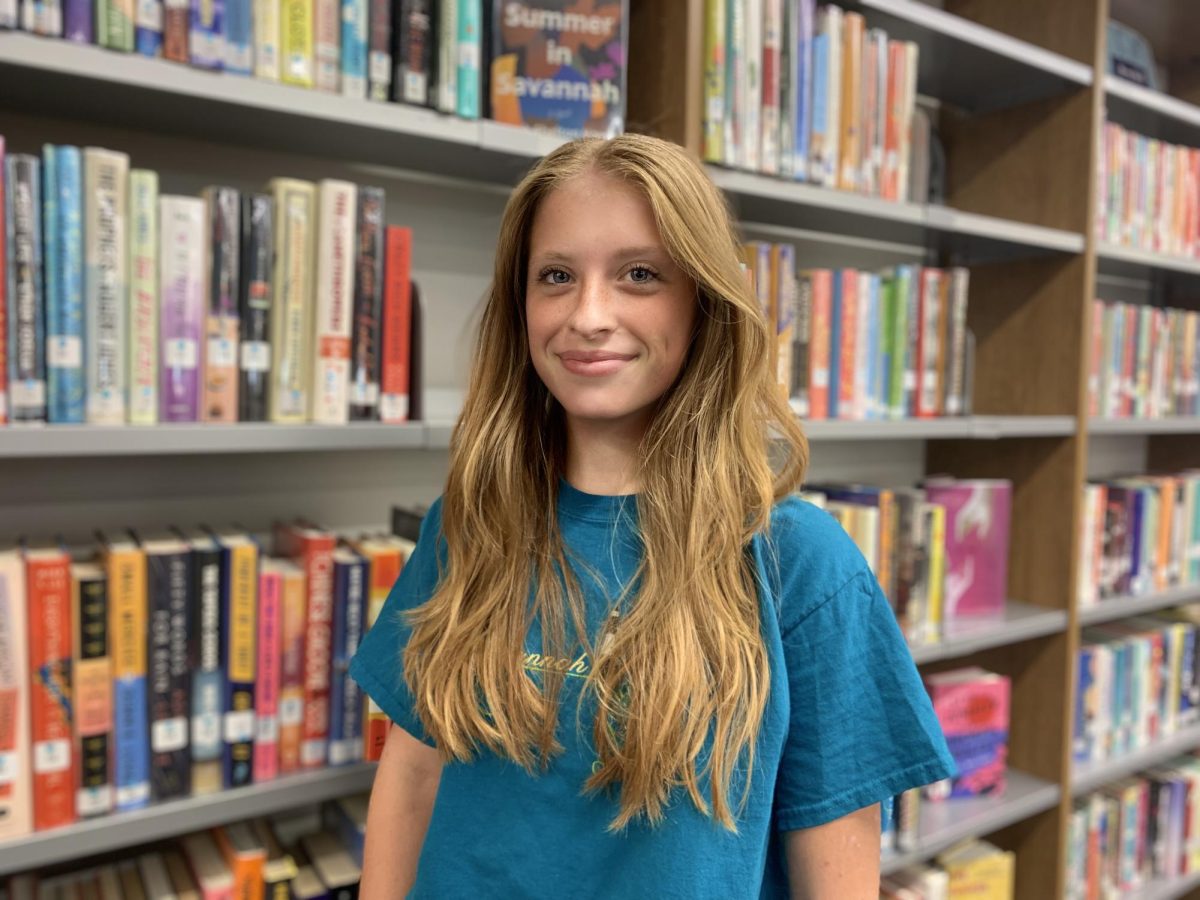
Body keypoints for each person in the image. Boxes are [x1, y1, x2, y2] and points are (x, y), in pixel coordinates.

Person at [348, 133, 955, 898]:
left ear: (701, 301)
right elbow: (412, 772)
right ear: (521, 303)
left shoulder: (798, 561)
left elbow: (837, 874)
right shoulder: (468, 523)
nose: (588, 315)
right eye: (557, 275)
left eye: (639, 274)